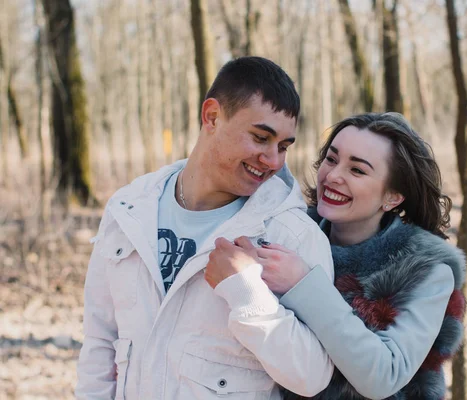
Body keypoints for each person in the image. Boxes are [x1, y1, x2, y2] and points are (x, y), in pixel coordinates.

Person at [75, 56, 335, 399]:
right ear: (212, 116)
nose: (274, 161)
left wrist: (249, 295)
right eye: (260, 138)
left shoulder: (292, 235)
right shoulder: (129, 209)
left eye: (283, 147)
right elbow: (100, 341)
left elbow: (312, 376)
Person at [243, 112, 467, 399]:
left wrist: (304, 284)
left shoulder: (424, 269)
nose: (333, 176)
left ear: (393, 196)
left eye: (357, 170)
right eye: (332, 159)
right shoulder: (289, 233)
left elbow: (385, 375)